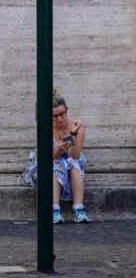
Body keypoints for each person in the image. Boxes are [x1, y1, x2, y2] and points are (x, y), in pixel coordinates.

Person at [52, 90, 88, 224]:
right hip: (50, 161)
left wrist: (73, 134)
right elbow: (48, 158)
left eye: (62, 114)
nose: (59, 119)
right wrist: (59, 149)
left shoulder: (77, 125)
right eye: (54, 116)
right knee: (54, 167)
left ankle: (79, 209)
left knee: (73, 164)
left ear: (67, 110)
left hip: (71, 160)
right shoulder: (45, 126)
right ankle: (54, 210)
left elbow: (75, 155)